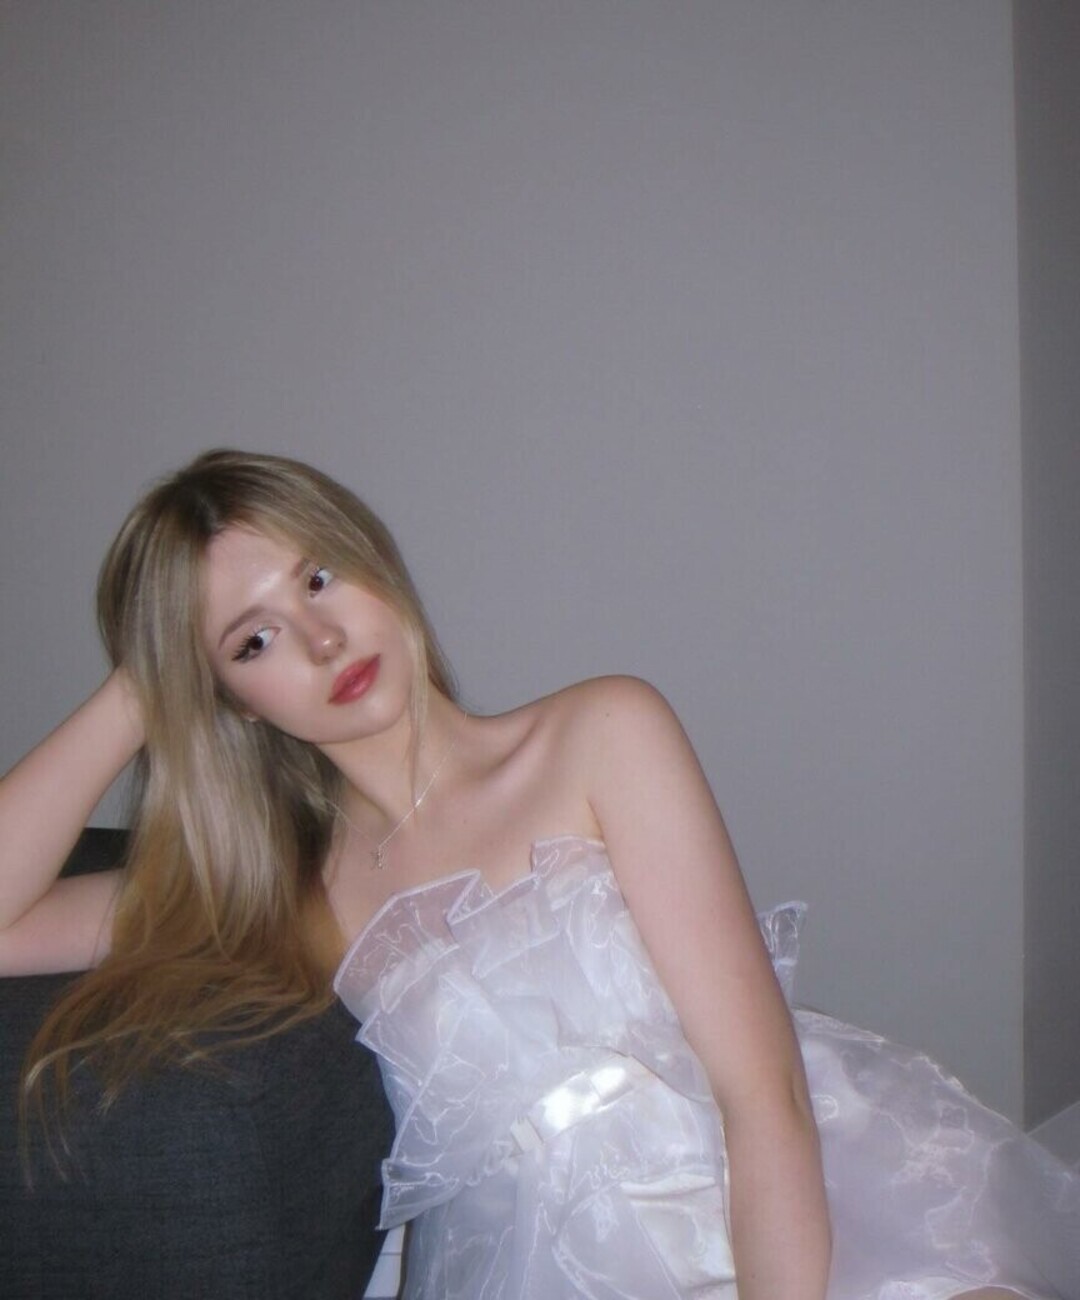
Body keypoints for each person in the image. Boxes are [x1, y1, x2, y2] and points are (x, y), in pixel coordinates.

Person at [0, 449, 1075, 1300]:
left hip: (785, 1210)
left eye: (318, 577)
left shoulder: (601, 734)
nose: (323, 640)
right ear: (230, 699)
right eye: (255, 641)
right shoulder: (287, 898)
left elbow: (764, 1094)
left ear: (370, 556)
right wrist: (144, 687)